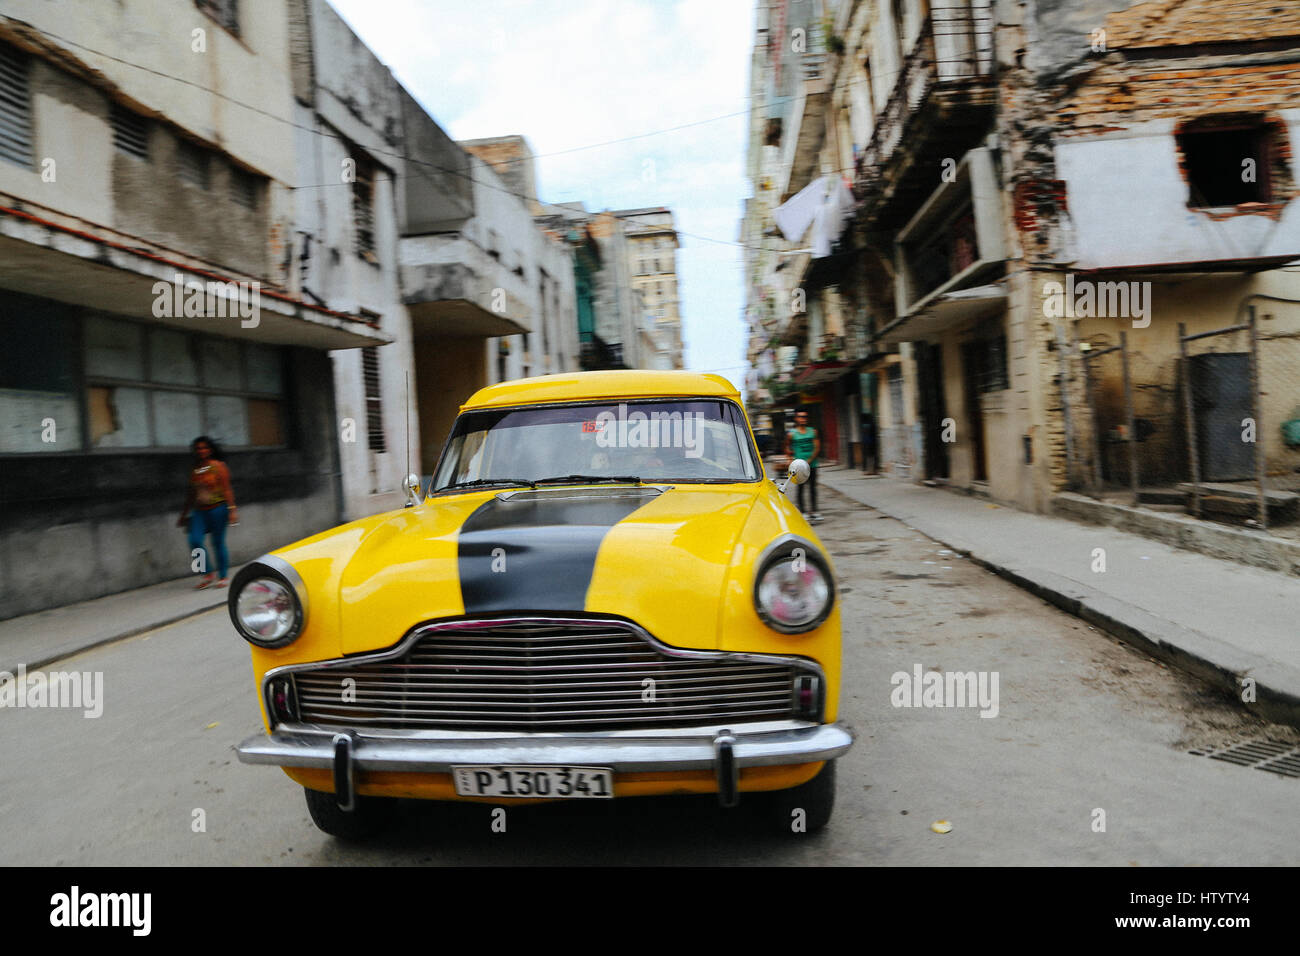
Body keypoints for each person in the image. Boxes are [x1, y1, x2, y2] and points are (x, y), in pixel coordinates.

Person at [178, 436, 238, 588]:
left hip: (218, 509)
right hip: (199, 512)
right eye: (198, 448)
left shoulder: (219, 466)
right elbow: (191, 495)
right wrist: (184, 514)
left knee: (217, 542)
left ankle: (223, 576)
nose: (201, 451)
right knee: (194, 540)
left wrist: (232, 510)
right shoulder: (196, 470)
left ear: (210, 450)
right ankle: (206, 574)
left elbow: (227, 489)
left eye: (204, 448)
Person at [786, 409, 821, 522]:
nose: (803, 419)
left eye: (805, 417)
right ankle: (803, 512)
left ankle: (814, 511)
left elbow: (817, 447)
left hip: (813, 465)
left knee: (813, 488)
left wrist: (809, 460)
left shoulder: (813, 431)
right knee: (800, 489)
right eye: (800, 417)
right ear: (796, 419)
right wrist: (791, 460)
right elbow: (787, 447)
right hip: (799, 468)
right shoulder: (792, 434)